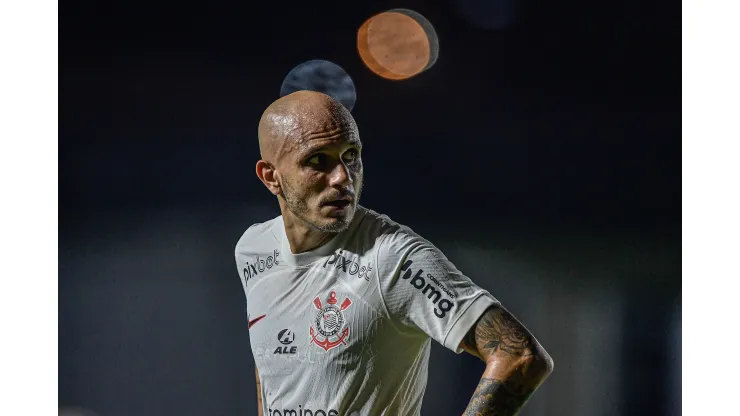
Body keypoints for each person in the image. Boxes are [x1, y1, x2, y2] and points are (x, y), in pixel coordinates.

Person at [235, 90, 554, 416]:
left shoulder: (393, 257)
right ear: (271, 177)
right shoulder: (253, 249)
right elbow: (271, 365)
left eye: (351, 155)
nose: (342, 177)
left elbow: (520, 356)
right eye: (318, 160)